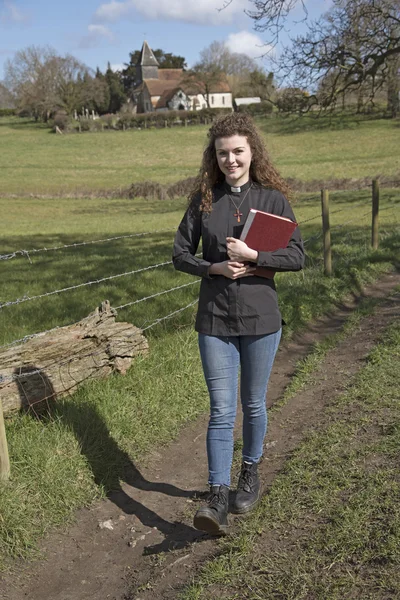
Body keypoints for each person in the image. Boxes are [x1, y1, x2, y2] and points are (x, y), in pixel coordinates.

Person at [172, 113, 304, 536]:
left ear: (252, 153)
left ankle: (249, 471)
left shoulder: (273, 200)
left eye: (238, 151)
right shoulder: (203, 200)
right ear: (214, 156)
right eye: (222, 152)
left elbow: (296, 256)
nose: (231, 159)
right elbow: (179, 254)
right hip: (215, 319)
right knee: (221, 410)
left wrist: (253, 257)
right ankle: (216, 495)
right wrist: (214, 268)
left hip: (262, 318)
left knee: (253, 404)